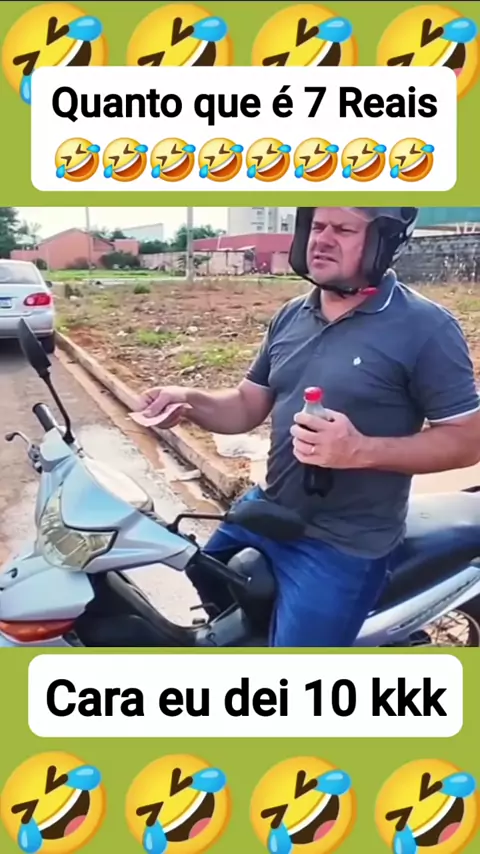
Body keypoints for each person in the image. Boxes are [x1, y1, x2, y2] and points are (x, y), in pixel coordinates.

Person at [136, 207, 480, 647]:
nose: (322, 239)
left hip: (344, 542)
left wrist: (359, 450)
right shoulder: (292, 315)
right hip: (270, 509)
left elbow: (466, 440)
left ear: (383, 242)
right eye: (317, 226)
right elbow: (246, 405)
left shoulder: (426, 328)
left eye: (344, 229)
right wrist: (189, 401)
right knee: (204, 571)